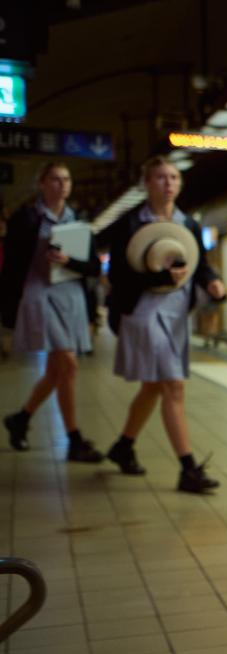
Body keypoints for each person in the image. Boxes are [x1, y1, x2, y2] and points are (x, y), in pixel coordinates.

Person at [97, 156, 227, 493]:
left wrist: (213, 282)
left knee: (154, 386)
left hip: (176, 312)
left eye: (173, 177)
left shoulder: (189, 224)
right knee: (173, 385)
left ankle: (123, 446)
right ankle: (188, 469)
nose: (168, 183)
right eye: (159, 177)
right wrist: (157, 275)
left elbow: (199, 264)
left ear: (179, 184)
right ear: (147, 184)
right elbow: (117, 276)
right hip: (143, 310)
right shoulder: (130, 223)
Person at [1, 162, 105, 462]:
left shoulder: (79, 221)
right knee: (68, 364)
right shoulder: (26, 218)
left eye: (66, 179)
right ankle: (74, 439)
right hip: (39, 294)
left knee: (57, 369)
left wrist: (68, 259)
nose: (61, 185)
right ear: (42, 184)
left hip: (69, 295)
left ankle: (20, 419)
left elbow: (93, 267)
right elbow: (12, 264)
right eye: (55, 179)